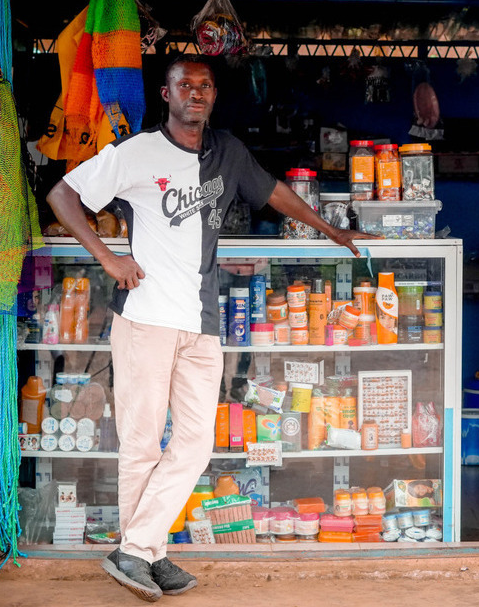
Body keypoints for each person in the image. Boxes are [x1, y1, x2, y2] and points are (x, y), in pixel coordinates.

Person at [46, 53, 374, 602]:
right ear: (166, 93)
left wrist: (330, 231)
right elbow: (62, 194)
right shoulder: (138, 151)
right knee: (142, 445)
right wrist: (106, 257)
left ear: (213, 95)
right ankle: (148, 554)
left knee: (197, 443)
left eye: (205, 86)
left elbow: (274, 192)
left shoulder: (228, 153)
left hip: (201, 322)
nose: (195, 94)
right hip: (145, 317)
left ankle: (137, 548)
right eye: (184, 86)